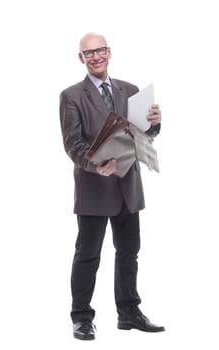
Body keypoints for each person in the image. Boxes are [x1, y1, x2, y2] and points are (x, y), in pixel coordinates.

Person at [59, 32, 165, 341]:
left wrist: (155, 123)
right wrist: (95, 165)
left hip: (128, 186)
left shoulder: (130, 91)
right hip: (94, 186)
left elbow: (143, 133)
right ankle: (81, 317)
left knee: (129, 252)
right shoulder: (71, 96)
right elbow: (72, 144)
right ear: (81, 58)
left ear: (109, 52)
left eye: (100, 51)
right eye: (88, 53)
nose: (95, 57)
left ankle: (129, 313)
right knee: (88, 254)